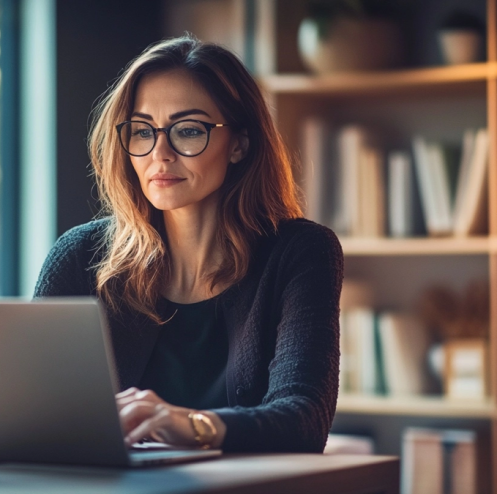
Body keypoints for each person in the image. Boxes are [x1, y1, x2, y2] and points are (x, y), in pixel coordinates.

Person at [34, 34, 343, 453]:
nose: (159, 153)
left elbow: (305, 420)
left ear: (239, 144)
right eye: (142, 131)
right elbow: (29, 407)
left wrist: (194, 426)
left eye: (189, 130)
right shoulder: (80, 256)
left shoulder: (302, 251)